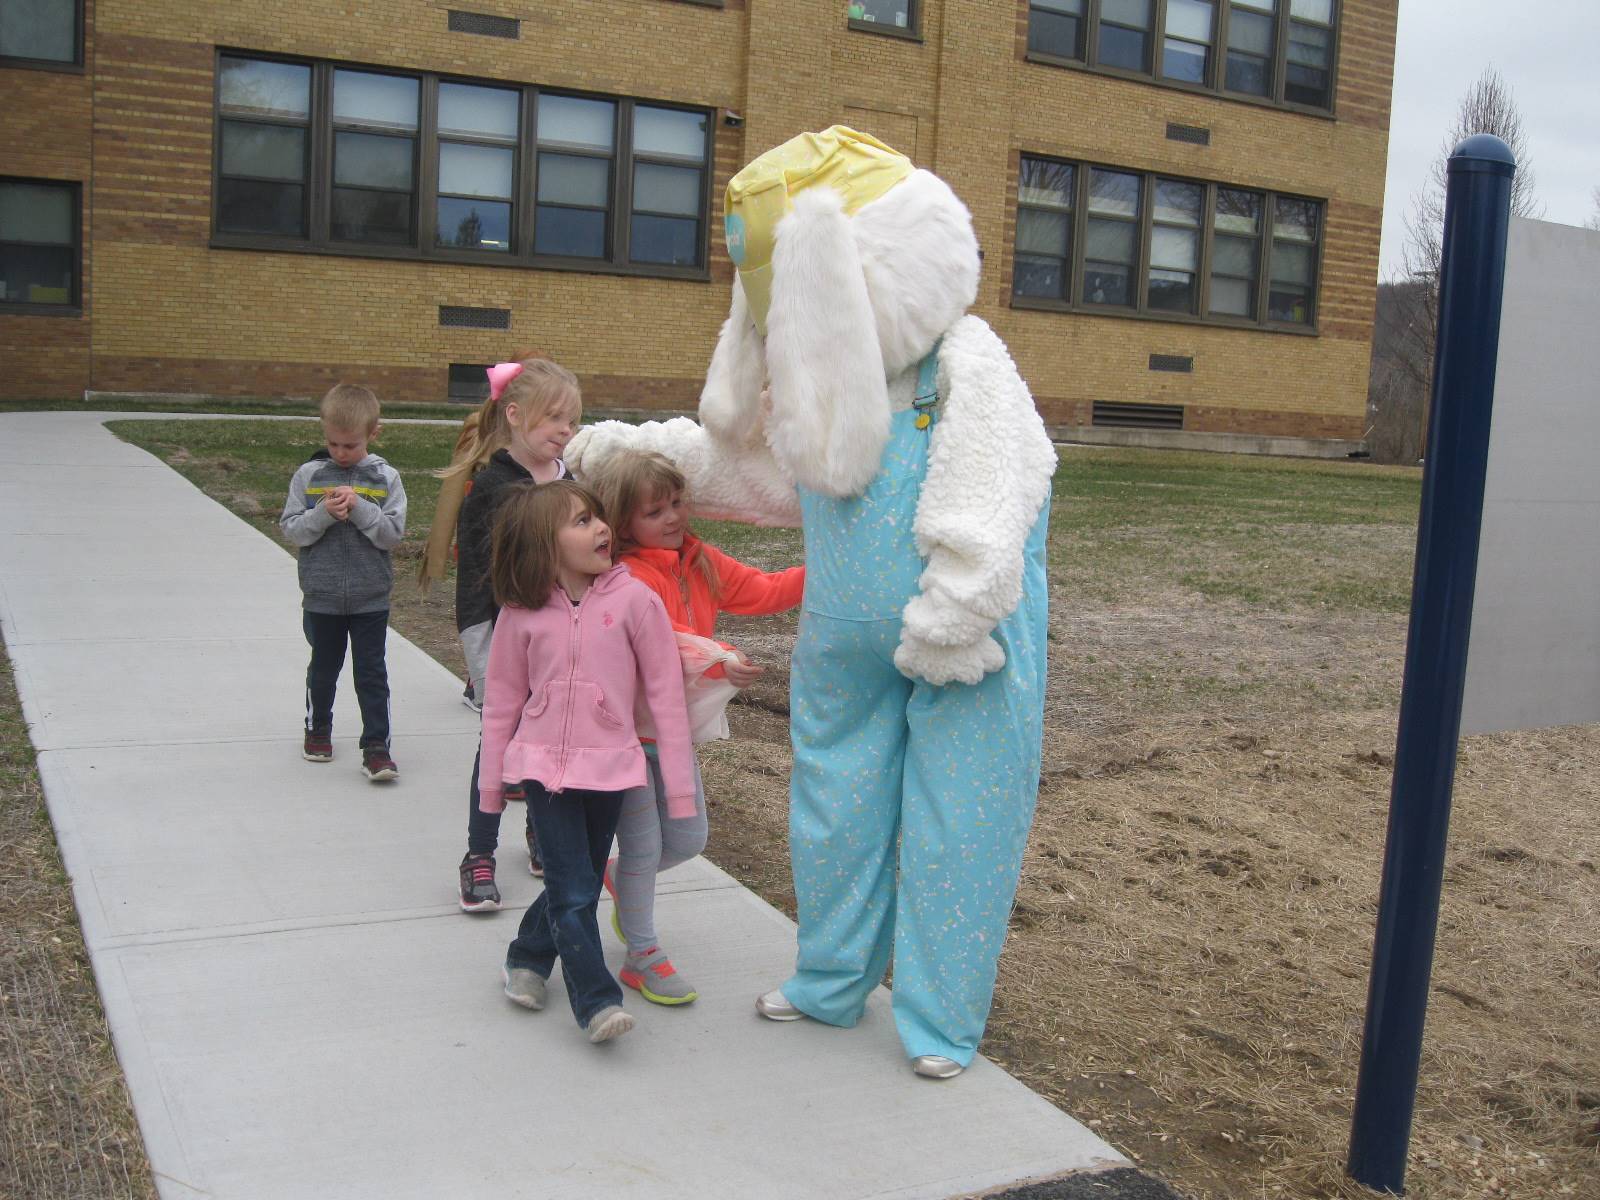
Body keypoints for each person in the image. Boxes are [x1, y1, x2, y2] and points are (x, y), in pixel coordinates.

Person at [481, 481, 695, 1044]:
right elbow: (502, 699)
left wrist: (677, 789)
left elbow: (666, 698)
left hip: (611, 771)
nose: (602, 528)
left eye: (598, 517)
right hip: (544, 771)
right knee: (575, 890)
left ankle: (527, 955)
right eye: (581, 521)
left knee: (573, 883)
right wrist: (490, 785)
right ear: (542, 545)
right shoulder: (521, 612)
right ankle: (596, 999)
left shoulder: (635, 602)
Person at [588, 450, 803, 1006]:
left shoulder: (697, 559)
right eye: (654, 510)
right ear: (622, 522)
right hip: (627, 734)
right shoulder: (626, 576)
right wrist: (722, 658)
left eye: (677, 502)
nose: (672, 517)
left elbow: (764, 590)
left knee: (687, 839)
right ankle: (642, 955)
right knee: (644, 846)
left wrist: (828, 568)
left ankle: (615, 877)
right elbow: (666, 637)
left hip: (674, 733)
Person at [433, 358, 581, 911]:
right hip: (502, 636)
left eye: (573, 421)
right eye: (556, 419)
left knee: (549, 745)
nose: (566, 431)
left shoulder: (568, 479)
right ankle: (479, 854)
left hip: (559, 640)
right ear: (515, 415)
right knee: (498, 746)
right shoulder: (495, 487)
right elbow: (486, 574)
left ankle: (543, 837)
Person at [279, 383, 408, 781]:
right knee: (324, 667)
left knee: (371, 672)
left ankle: (377, 746)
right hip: (322, 597)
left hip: (370, 597)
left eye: (350, 445)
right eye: (333, 443)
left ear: (373, 434)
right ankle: (318, 730)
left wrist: (361, 508)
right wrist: (322, 514)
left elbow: (392, 534)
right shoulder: (310, 475)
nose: (340, 453)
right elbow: (293, 530)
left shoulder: (386, 478)